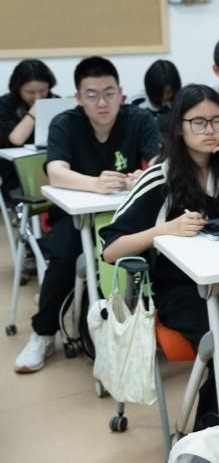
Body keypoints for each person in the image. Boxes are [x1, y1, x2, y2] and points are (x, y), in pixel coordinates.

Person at [101, 84, 219, 428]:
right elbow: (111, 250)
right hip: (182, 293)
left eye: (217, 120)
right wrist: (163, 230)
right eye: (199, 122)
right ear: (179, 126)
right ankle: (209, 435)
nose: (210, 130)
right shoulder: (159, 177)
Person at [14, 56, 162, 374]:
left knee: (161, 249)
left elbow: (157, 162)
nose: (102, 102)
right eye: (92, 95)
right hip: (75, 215)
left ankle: (154, 327)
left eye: (109, 93)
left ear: (120, 93)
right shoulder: (65, 123)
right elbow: (56, 171)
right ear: (79, 97)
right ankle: (43, 334)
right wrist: (95, 184)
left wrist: (143, 176)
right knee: (64, 255)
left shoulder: (139, 119)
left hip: (127, 215)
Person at [0, 59, 57, 201]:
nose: (38, 96)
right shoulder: (5, 105)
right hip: (16, 173)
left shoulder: (55, 101)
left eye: (43, 90)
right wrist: (35, 110)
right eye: (30, 92)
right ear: (18, 88)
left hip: (51, 166)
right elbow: (17, 139)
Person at [129, 59, 182, 133]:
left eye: (169, 92)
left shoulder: (177, 100)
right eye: (160, 92)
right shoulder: (136, 103)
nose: (165, 97)